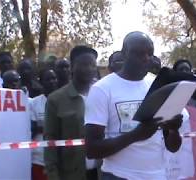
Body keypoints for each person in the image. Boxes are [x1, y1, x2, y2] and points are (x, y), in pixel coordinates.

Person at [84, 31, 183, 180]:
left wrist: (174, 130)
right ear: (124, 54)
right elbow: (92, 149)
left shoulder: (158, 85)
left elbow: (173, 147)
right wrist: (135, 136)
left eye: (150, 53)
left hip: (157, 175)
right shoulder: (102, 89)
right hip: (118, 175)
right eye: (138, 53)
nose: (145, 58)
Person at [44, 45, 99, 180]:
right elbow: (50, 141)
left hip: (102, 172)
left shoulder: (102, 95)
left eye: (92, 65)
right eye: (84, 65)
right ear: (72, 66)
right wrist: (53, 175)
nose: (89, 69)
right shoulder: (56, 99)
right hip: (71, 174)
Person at [30, 69, 58, 180]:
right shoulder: (34, 103)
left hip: (60, 157)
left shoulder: (64, 101)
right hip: (39, 158)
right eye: (48, 79)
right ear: (41, 82)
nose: (52, 81)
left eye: (54, 78)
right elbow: (32, 128)